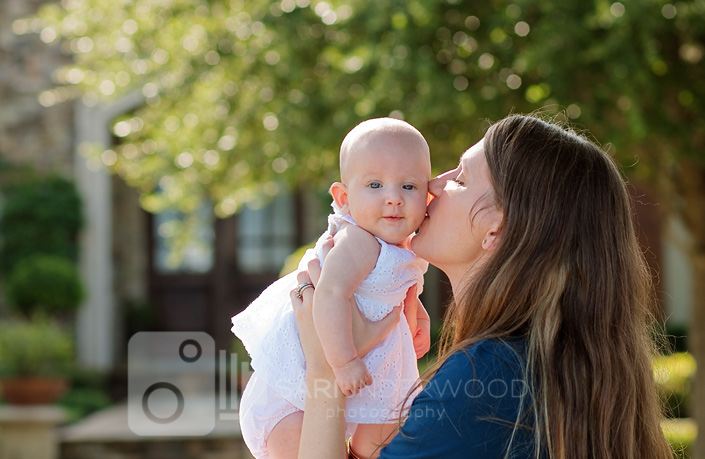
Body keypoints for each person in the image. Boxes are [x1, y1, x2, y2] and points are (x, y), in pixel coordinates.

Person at [292, 113, 673, 458]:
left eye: (459, 178)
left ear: (496, 228)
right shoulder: (532, 367)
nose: (431, 186)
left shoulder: (481, 381)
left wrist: (326, 372)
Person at [231, 117, 433, 459]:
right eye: (375, 185)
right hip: (299, 390)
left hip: (360, 369)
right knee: (298, 440)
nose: (394, 198)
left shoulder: (403, 248)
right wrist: (343, 362)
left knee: (388, 432)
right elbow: (329, 293)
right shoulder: (357, 241)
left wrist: (421, 320)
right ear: (344, 197)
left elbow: (401, 289)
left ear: (427, 196)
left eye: (408, 187)